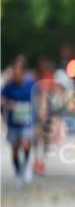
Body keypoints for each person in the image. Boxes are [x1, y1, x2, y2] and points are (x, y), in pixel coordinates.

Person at [1, 55, 36, 189]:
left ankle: (26, 166)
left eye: (19, 72)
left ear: (23, 72)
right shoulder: (8, 86)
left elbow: (39, 95)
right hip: (13, 123)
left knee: (26, 144)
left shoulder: (30, 83)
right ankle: (18, 174)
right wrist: (7, 105)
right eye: (14, 73)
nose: (17, 75)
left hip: (27, 121)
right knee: (15, 150)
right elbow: (2, 99)